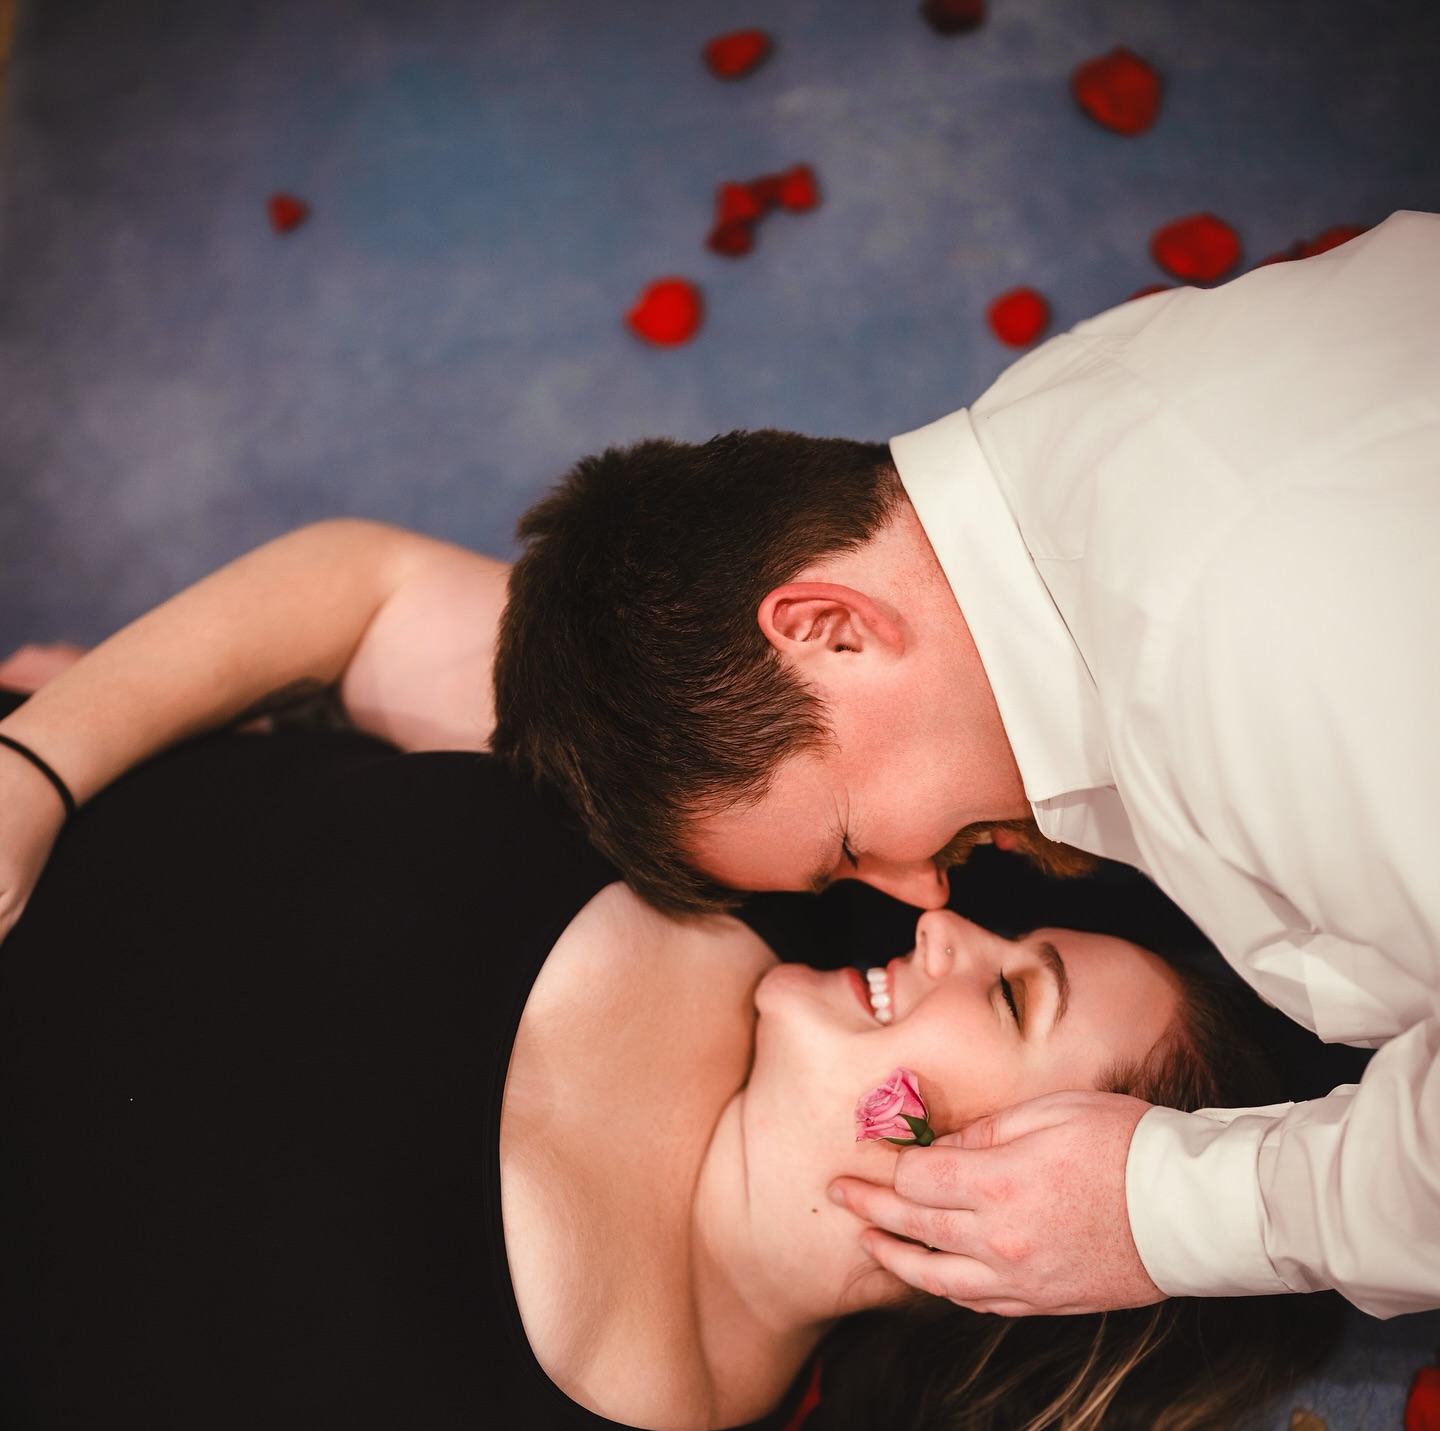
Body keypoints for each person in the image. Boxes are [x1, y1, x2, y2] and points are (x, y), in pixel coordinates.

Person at [0, 566, 1334, 1431]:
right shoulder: (710, 838)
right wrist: (49, 763)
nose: (946, 927)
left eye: (1015, 993)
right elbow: (371, 590)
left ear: (1026, 1228)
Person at [488, 209, 1440, 1323]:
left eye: (848, 847)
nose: (926, 895)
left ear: (832, 630)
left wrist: (1180, 1213)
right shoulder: (1071, 416)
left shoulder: (1245, 664)